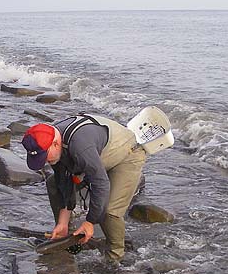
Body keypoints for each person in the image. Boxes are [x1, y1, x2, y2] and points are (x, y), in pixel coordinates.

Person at [22, 113, 146, 263]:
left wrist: (89, 222)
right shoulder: (53, 143)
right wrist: (62, 221)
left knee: (109, 212)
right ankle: (68, 235)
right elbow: (64, 181)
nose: (44, 162)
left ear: (55, 144)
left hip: (127, 155)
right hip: (96, 157)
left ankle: (115, 257)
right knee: (53, 183)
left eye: (44, 156)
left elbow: (101, 184)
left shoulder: (80, 147)